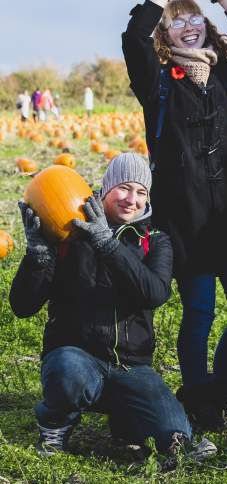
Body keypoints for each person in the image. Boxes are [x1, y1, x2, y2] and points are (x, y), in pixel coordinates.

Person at [122, 0, 227, 430]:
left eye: (195, 19)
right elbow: (132, 38)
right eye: (177, 20)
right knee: (200, 312)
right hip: (184, 216)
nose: (189, 25)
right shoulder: (157, 81)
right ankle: (199, 397)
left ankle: (220, 385)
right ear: (165, 31)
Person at [9, 153, 214, 460]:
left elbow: (154, 292)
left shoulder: (154, 241)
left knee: (174, 431)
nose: (132, 200)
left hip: (131, 366)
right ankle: (55, 426)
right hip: (77, 358)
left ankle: (127, 421)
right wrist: (38, 255)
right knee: (67, 372)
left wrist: (108, 243)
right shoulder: (68, 232)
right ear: (105, 188)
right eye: (124, 188)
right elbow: (23, 306)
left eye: (141, 192)